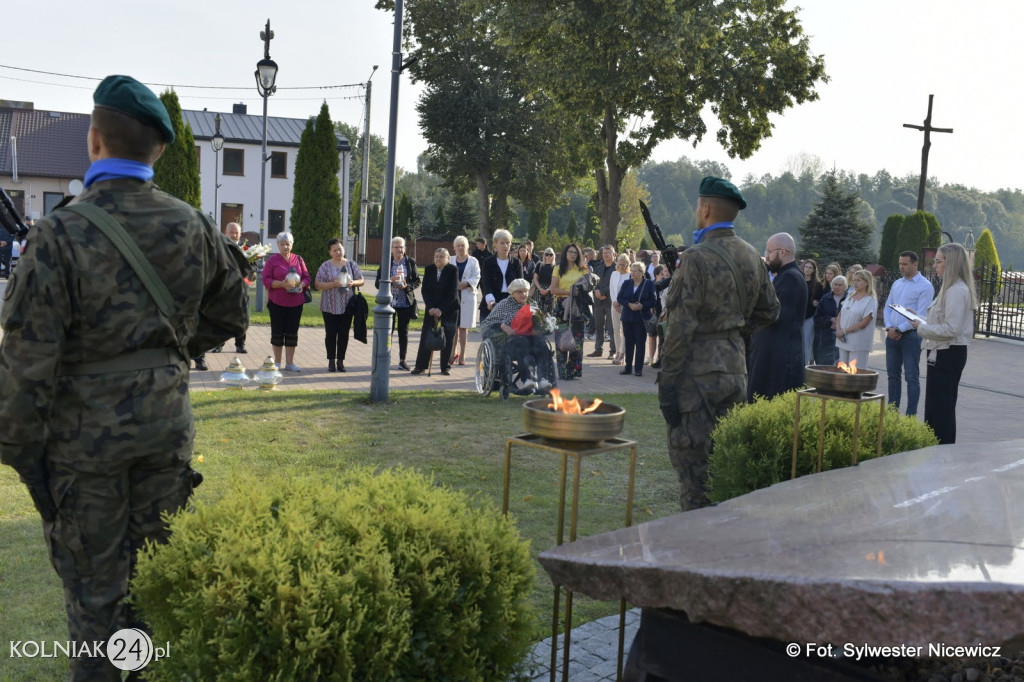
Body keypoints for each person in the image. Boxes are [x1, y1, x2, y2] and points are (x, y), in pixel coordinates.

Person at [0, 75, 248, 681]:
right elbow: (232, 313)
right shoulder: (193, 224)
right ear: (158, 150)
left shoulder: (58, 233)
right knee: (157, 589)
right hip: (165, 432)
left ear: (93, 140)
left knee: (95, 602)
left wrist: (26, 462)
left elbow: (25, 369)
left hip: (86, 447)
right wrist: (168, 353)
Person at [659, 176, 779, 511]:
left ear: (707, 208)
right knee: (724, 462)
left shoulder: (696, 257)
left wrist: (667, 384)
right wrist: (733, 333)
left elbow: (680, 329)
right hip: (735, 369)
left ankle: (696, 548)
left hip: (697, 378)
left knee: (694, 471)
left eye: (699, 204)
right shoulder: (752, 254)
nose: (697, 210)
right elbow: (770, 310)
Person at [910, 243, 977, 444]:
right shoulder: (949, 288)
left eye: (938, 261)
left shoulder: (956, 290)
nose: (934, 265)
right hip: (942, 352)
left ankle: (941, 450)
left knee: (941, 408)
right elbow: (941, 322)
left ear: (951, 263)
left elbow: (950, 329)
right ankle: (936, 448)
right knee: (937, 407)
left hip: (948, 353)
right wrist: (920, 319)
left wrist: (920, 328)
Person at [746, 232, 807, 401]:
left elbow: (775, 315)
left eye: (769, 251)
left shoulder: (791, 278)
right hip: (774, 353)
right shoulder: (786, 276)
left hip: (779, 359)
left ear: (783, 251)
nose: (766, 257)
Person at [882, 251, 935, 416]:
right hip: (892, 335)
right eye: (900, 264)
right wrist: (890, 327)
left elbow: (920, 315)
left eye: (905, 264)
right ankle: (892, 412)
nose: (901, 267)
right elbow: (887, 307)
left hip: (911, 337)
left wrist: (900, 329)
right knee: (892, 376)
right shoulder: (897, 283)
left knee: (911, 377)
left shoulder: (925, 286)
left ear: (914, 264)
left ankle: (910, 415)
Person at [478, 278, 551, 392]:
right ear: (512, 293)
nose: (523, 294)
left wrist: (540, 328)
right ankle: (527, 379)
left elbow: (539, 322)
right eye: (520, 292)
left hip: (529, 339)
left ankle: (543, 379)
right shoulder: (504, 304)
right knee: (522, 342)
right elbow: (486, 324)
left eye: (525, 291)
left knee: (541, 343)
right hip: (508, 341)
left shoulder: (532, 305)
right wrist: (503, 326)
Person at [262, 230, 311, 372]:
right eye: (282, 244)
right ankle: (277, 363)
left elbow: (307, 277)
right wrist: (281, 284)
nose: (285, 247)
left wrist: (302, 285)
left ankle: (289, 363)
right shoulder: (272, 261)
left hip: (296, 302)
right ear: (277, 245)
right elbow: (266, 279)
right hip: (277, 302)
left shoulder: (299, 259)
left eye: (288, 244)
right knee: (277, 332)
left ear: (292, 245)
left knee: (292, 332)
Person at [314, 239, 364, 372]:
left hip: (347, 306)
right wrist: (332, 284)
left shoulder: (351, 264)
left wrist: (353, 283)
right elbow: (317, 284)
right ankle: (331, 360)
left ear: (344, 250)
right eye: (334, 250)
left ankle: (340, 361)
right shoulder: (325, 266)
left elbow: (361, 280)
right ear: (330, 252)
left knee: (344, 333)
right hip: (329, 305)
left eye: (340, 249)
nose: (338, 252)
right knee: (330, 333)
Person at [375, 236, 420, 371]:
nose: (399, 249)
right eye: (396, 247)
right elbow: (378, 283)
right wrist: (389, 280)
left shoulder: (410, 262)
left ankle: (402, 360)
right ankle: (385, 357)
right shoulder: (386, 262)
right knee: (388, 332)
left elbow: (417, 281)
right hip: (389, 304)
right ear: (391, 249)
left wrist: (407, 286)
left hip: (405, 303)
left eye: (402, 247)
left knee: (403, 332)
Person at [411, 248, 459, 376]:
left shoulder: (452, 270)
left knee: (448, 336)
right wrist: (431, 307)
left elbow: (453, 293)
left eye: (441, 257)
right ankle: (420, 366)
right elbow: (425, 290)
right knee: (426, 335)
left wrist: (441, 309)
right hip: (431, 309)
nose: (438, 259)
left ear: (448, 259)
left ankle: (445, 367)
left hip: (449, 308)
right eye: (436, 256)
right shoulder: (429, 269)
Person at [551, 242, 591, 380]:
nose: (572, 254)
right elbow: (553, 289)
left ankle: (573, 370)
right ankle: (562, 371)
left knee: (578, 340)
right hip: (561, 306)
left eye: (575, 252)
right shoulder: (557, 269)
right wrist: (570, 292)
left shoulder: (583, 270)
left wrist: (578, 293)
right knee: (562, 339)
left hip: (578, 307)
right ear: (565, 254)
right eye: (570, 252)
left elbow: (587, 287)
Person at [210, 221, 250, 355]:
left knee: (241, 318)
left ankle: (240, 345)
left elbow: (253, 266)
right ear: (225, 233)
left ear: (240, 234)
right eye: (231, 232)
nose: (234, 235)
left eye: (236, 233)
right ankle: (218, 345)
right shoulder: (219, 246)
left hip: (241, 289)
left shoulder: (247, 249)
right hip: (224, 289)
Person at [617, 261, 658, 376]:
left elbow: (653, 300)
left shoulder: (648, 284)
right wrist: (629, 304)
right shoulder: (627, 283)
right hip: (627, 317)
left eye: (635, 271)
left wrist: (642, 305)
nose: (633, 273)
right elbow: (620, 298)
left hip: (641, 318)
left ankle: (638, 368)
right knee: (629, 343)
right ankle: (628, 367)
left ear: (642, 272)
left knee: (640, 343)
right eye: (632, 270)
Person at [835, 269, 877, 368]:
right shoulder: (850, 295)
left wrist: (844, 331)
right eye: (854, 280)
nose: (855, 283)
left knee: (855, 373)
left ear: (867, 282)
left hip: (858, 342)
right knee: (842, 370)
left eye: (859, 280)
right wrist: (838, 331)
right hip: (843, 340)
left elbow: (864, 323)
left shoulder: (870, 300)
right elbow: (840, 314)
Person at [479, 229, 523, 321]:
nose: (505, 246)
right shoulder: (488, 262)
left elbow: (520, 285)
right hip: (492, 302)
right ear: (495, 243)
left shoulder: (517, 263)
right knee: (491, 334)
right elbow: (486, 283)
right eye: (502, 243)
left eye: (508, 243)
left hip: (511, 303)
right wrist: (490, 301)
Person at [451, 235, 480, 366]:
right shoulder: (450, 260)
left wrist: (466, 283)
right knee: (453, 327)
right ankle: (453, 353)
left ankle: (462, 354)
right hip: (453, 297)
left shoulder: (473, 261)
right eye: (458, 245)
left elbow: (477, 276)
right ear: (455, 248)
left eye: (463, 245)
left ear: (467, 247)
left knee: (463, 328)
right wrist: (454, 284)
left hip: (467, 295)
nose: (461, 248)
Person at [588, 245, 618, 360]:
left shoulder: (617, 268)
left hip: (610, 300)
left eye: (608, 253)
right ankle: (598, 349)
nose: (606, 255)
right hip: (598, 301)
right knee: (598, 325)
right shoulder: (598, 267)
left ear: (614, 254)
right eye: (604, 253)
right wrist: (596, 291)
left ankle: (613, 351)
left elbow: (615, 284)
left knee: (612, 327)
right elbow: (593, 281)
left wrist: (603, 292)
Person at [812, 275, 848, 366]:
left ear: (845, 286)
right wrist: (830, 320)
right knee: (824, 364)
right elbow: (817, 318)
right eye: (835, 284)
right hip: (826, 337)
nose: (837, 287)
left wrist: (839, 324)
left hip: (844, 336)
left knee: (841, 364)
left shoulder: (850, 299)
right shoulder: (825, 298)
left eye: (840, 285)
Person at [609, 253, 631, 365]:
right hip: (614, 304)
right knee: (616, 329)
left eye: (624, 264)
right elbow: (611, 289)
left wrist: (622, 303)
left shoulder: (630, 275)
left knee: (625, 331)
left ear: (627, 264)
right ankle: (617, 352)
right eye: (620, 264)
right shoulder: (614, 274)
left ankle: (622, 353)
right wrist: (614, 302)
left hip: (626, 306)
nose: (621, 266)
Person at [801, 259, 823, 364]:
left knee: (806, 344)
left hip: (809, 318)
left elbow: (817, 302)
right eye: (806, 267)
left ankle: (804, 367)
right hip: (797, 317)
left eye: (810, 267)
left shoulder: (817, 285)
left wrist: (813, 303)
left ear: (814, 270)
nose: (807, 269)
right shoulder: (798, 280)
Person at [532, 247, 556, 315]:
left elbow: (555, 281)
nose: (548, 256)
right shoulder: (539, 265)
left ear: (553, 256)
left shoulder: (555, 267)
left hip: (550, 291)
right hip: (539, 290)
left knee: (548, 313)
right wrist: (539, 288)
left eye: (551, 254)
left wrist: (548, 290)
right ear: (544, 255)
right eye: (546, 254)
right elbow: (535, 278)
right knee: (537, 311)